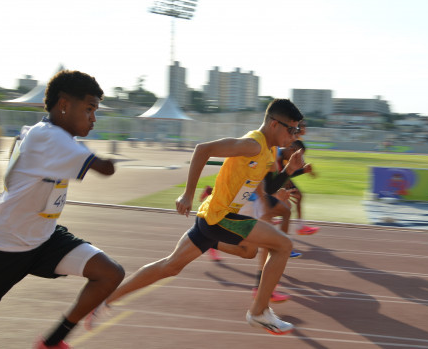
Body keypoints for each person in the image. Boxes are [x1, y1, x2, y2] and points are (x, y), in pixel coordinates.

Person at [85, 99, 305, 335]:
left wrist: (289, 171)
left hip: (213, 217)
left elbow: (268, 187)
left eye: (296, 130)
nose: (294, 136)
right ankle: (259, 312)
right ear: (274, 124)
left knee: (171, 266)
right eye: (291, 129)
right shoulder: (252, 144)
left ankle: (104, 301)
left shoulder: (269, 151)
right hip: (221, 217)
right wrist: (188, 194)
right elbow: (203, 149)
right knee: (283, 245)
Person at [0, 70, 125, 349]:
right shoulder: (50, 138)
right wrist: (109, 161)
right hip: (1, 245)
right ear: (64, 104)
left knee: (110, 273)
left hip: (43, 238)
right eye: (89, 109)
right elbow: (104, 168)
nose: (93, 119)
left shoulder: (45, 133)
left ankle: (51, 343)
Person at [278, 140, 319, 235]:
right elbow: (277, 177)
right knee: (285, 208)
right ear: (292, 149)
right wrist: (285, 177)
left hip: (278, 177)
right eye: (298, 156)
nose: (298, 159)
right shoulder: (278, 156)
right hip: (265, 184)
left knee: (293, 201)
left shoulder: (286, 153)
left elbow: (286, 173)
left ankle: (297, 228)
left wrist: (304, 170)